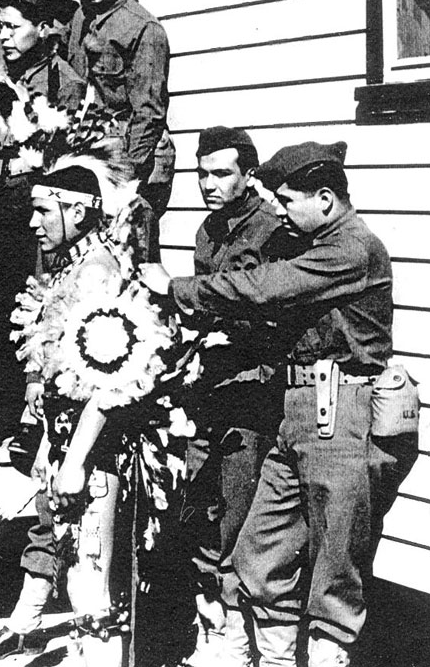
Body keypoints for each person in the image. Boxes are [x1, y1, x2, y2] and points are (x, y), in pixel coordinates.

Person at [141, 141, 418, 667]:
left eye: (290, 202)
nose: (282, 213)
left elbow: (271, 287)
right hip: (298, 411)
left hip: (341, 410)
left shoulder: (353, 248)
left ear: (326, 199)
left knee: (336, 563)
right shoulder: (314, 242)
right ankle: (271, 656)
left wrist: (180, 288)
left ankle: (325, 655)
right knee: (258, 552)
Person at [0, 161, 127, 667]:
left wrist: (77, 459)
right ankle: (25, 626)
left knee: (88, 570)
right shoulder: (68, 267)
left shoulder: (98, 271)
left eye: (42, 211)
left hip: (95, 445)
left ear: (77, 211)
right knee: (47, 536)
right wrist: (44, 446)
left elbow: (110, 381)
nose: (33, 223)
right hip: (62, 435)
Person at [179, 127, 299, 667]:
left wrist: (238, 331)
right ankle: (216, 626)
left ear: (248, 174)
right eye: (202, 173)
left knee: (237, 513)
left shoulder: (274, 231)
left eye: (221, 173)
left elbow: (284, 309)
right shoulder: (209, 231)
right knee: (201, 506)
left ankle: (240, 641)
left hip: (252, 390)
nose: (208, 183)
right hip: (209, 387)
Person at [0, 0, 87, 440]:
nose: (5, 37)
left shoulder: (63, 81)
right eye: (1, 28)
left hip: (36, 197)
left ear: (44, 28)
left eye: (14, 28)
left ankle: (31, 418)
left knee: (34, 297)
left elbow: (65, 154)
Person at [66, 0, 174, 227]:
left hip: (135, 160)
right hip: (94, 153)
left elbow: (149, 114)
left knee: (130, 250)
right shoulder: (82, 18)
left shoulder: (144, 29)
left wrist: (123, 177)